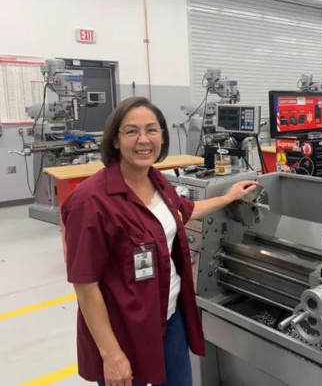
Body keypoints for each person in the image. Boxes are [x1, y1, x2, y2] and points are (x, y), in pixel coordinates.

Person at [61, 96, 257, 386]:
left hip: (170, 318)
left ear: (162, 137)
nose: (143, 140)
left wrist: (229, 197)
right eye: (131, 131)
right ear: (115, 140)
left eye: (152, 130)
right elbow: (85, 287)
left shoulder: (158, 181)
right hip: (124, 330)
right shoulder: (90, 202)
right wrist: (111, 354)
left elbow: (184, 212)